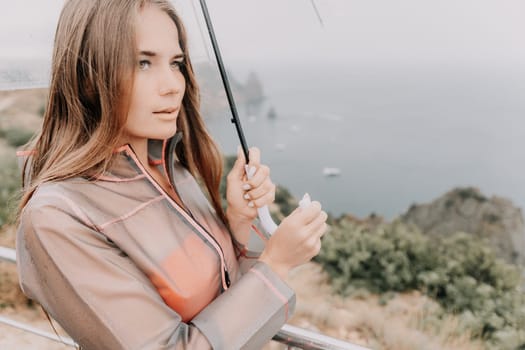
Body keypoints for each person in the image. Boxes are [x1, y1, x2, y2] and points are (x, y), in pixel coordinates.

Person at [15, 0, 328, 349]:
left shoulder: (170, 169)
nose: (173, 85)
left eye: (176, 63)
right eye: (143, 62)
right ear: (89, 77)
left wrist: (239, 221)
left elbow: (219, 300)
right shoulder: (57, 218)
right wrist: (276, 265)